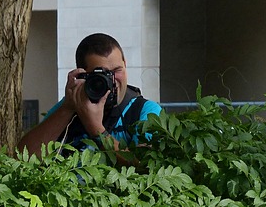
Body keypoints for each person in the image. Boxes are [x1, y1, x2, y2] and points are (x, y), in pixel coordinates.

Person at [18, 33, 163, 158]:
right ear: (83, 75)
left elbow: (144, 165)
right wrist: (67, 108)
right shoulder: (70, 106)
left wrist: (96, 129)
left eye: (117, 70)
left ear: (125, 64)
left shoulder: (145, 111)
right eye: (102, 74)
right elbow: (24, 157)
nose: (112, 81)